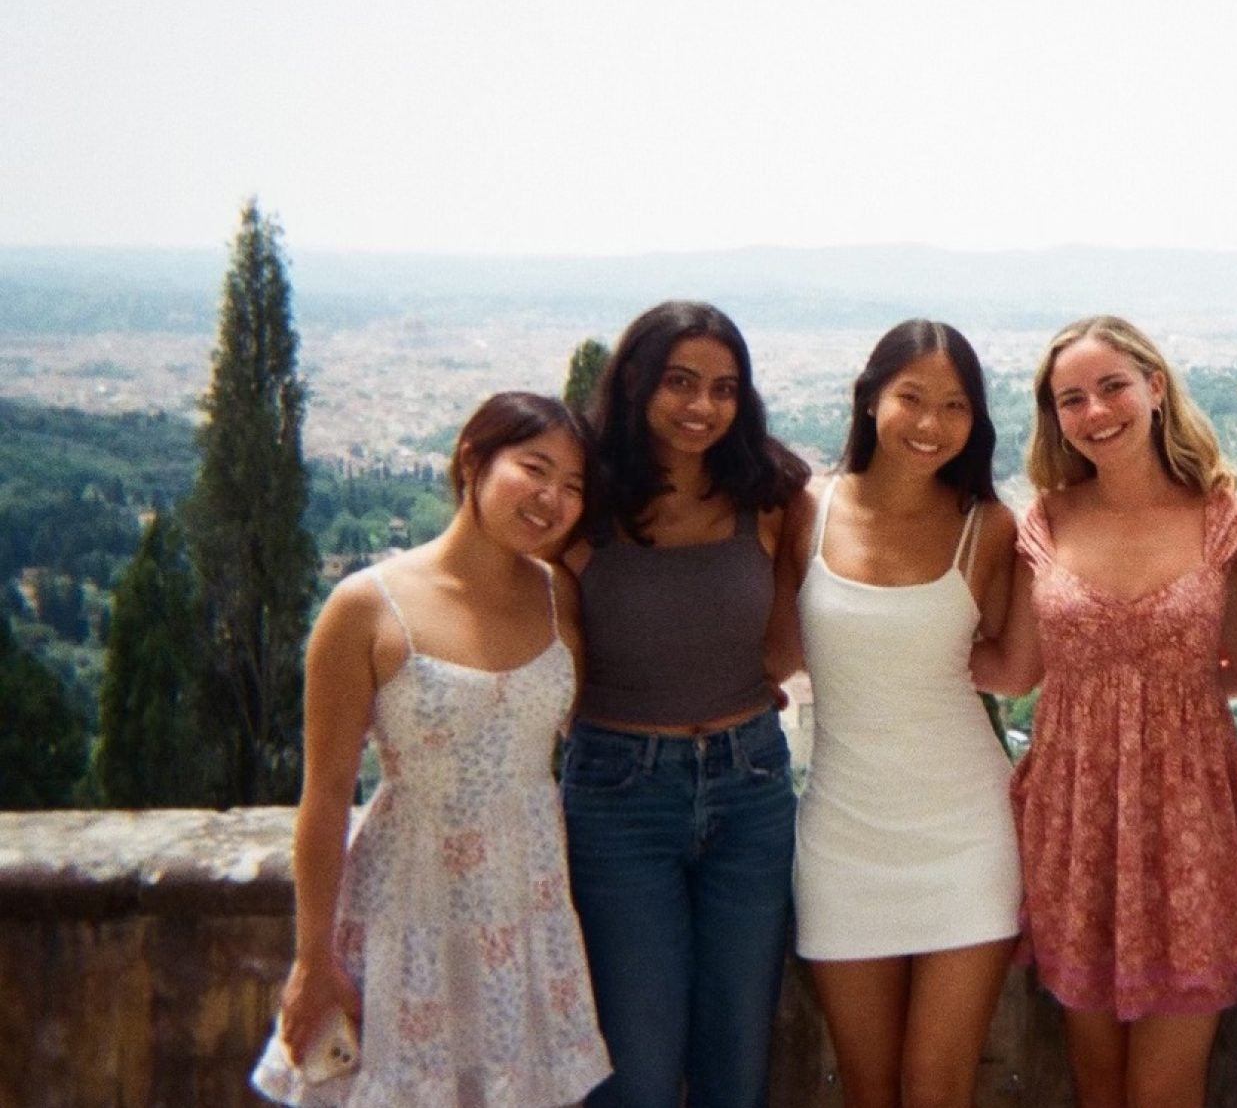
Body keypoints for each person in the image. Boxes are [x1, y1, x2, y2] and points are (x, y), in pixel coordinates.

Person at [252, 392, 611, 1107]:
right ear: (472, 460)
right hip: (406, 909)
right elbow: (324, 798)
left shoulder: (558, 598)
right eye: (534, 469)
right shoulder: (365, 606)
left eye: (574, 486)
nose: (553, 498)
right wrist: (311, 959)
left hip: (526, 903)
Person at [974, 315, 1237, 1108]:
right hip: (1077, 818)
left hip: (1188, 819)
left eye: (1112, 386)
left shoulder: (1221, 523)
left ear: (1155, 386)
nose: (1096, 410)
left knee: (1166, 1088)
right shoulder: (1046, 521)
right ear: (1055, 417)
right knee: (1097, 1085)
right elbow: (1015, 666)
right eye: (1072, 398)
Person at [560, 300, 812, 1108]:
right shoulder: (583, 506)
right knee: (633, 1068)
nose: (702, 406)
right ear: (633, 380)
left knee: (735, 1062)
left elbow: (783, 646)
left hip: (750, 783)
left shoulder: (770, 499)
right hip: (618, 795)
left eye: (724, 388)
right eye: (681, 382)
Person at [787, 319, 1022, 1108]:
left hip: (966, 834)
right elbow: (766, 652)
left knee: (935, 1088)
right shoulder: (805, 511)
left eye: (955, 405)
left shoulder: (987, 527)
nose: (931, 424)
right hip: (843, 839)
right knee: (867, 1088)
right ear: (869, 400)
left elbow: (1015, 664)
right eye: (911, 398)